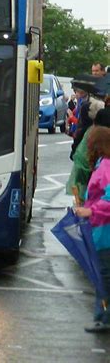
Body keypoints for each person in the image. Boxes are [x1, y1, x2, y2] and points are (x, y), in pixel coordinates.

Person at [75, 126, 110, 332]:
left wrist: (90, 212)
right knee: (102, 277)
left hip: (105, 234)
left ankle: (105, 318)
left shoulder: (106, 167)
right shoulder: (101, 165)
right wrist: (84, 208)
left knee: (104, 278)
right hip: (99, 233)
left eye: (89, 143)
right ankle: (101, 316)